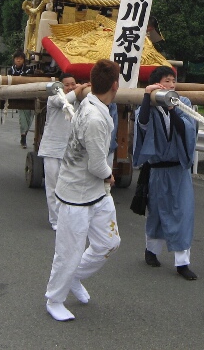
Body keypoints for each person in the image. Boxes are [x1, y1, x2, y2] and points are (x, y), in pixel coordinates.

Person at [45, 59, 121, 322]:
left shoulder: (92, 101)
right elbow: (97, 165)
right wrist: (109, 175)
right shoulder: (94, 116)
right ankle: (54, 298)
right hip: (75, 194)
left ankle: (74, 277)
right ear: (115, 85)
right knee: (69, 251)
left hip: (97, 192)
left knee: (109, 243)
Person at [133, 65, 199, 280]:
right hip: (157, 170)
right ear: (156, 84)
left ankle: (182, 262)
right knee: (156, 212)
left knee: (183, 213)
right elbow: (142, 123)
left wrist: (173, 109)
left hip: (179, 169)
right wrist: (147, 96)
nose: (171, 85)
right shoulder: (149, 104)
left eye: (173, 81)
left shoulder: (183, 102)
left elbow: (188, 129)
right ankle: (151, 251)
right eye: (166, 81)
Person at [37, 73, 89, 230]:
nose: (71, 87)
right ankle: (55, 220)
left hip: (70, 150)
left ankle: (68, 218)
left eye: (73, 84)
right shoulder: (54, 98)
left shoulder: (80, 99)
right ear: (60, 86)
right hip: (52, 150)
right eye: (67, 85)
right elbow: (65, 100)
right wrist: (80, 88)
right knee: (53, 186)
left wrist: (85, 89)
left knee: (70, 186)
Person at [8, 50, 34, 149]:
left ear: (24, 60)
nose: (18, 60)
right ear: (14, 60)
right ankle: (23, 137)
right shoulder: (11, 70)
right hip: (17, 95)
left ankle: (25, 134)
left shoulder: (28, 70)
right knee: (22, 118)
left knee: (30, 117)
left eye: (21, 59)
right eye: (17, 58)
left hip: (28, 95)